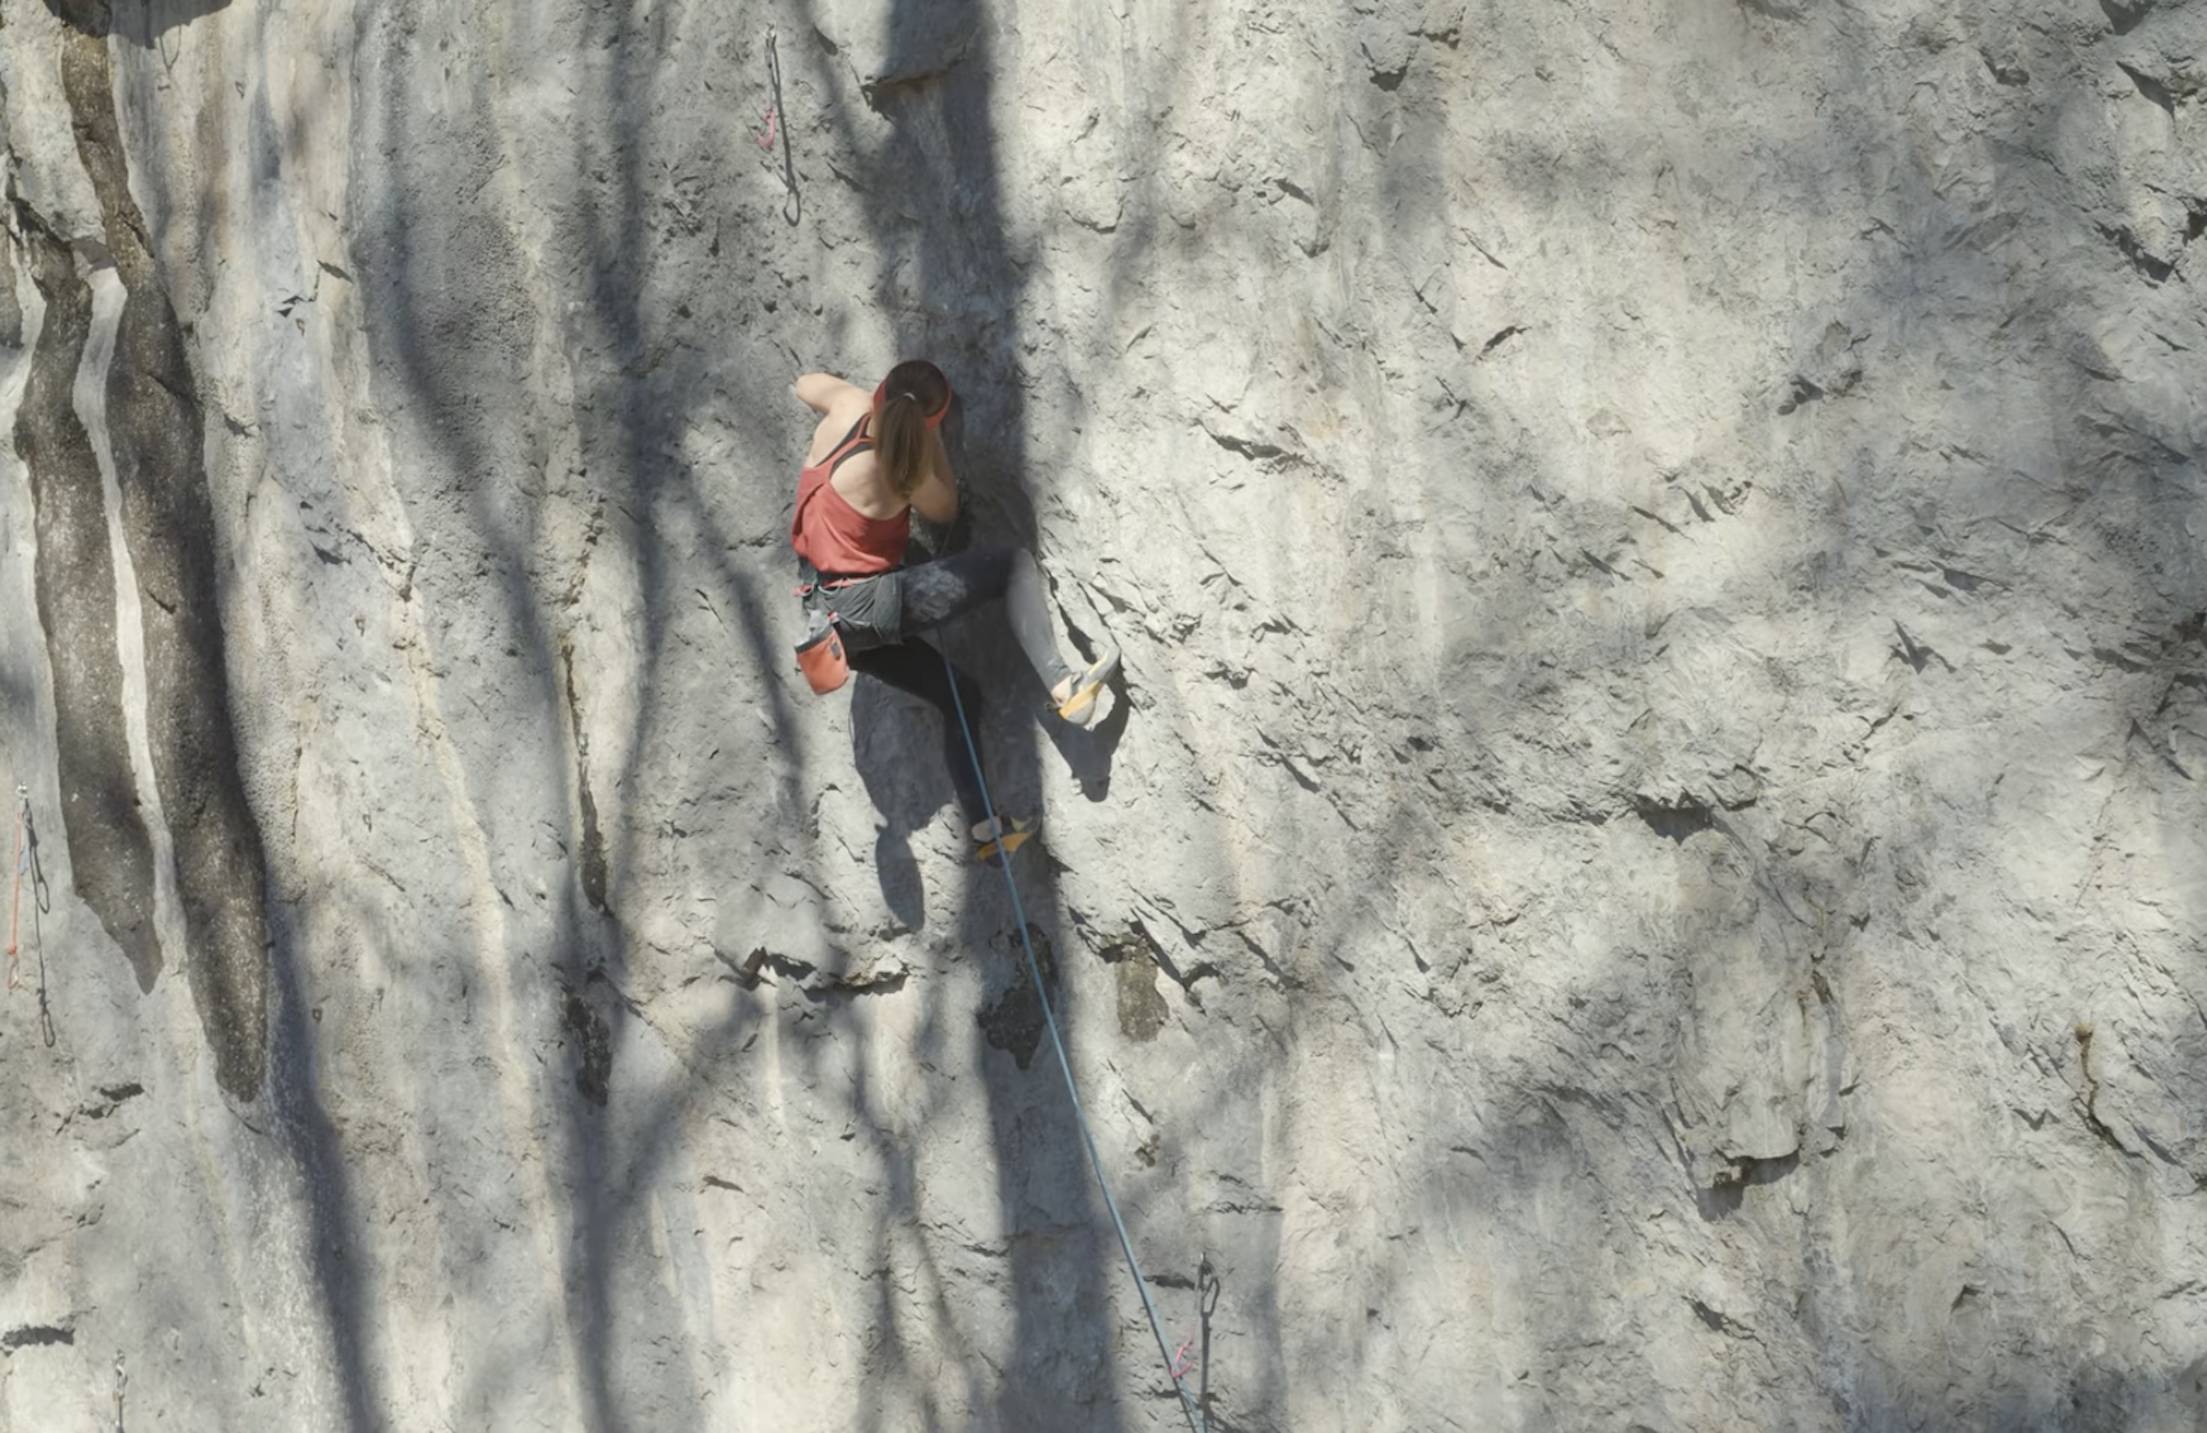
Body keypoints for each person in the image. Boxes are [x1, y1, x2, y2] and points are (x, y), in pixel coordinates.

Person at [789, 359, 1118, 861]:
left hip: (830, 623)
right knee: (1010, 564)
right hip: (871, 606)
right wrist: (931, 438)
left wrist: (869, 401)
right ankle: (1063, 686)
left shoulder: (847, 411)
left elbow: (805, 385)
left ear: (880, 390)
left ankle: (987, 827)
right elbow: (945, 511)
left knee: (958, 696)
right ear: (928, 422)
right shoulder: (905, 471)